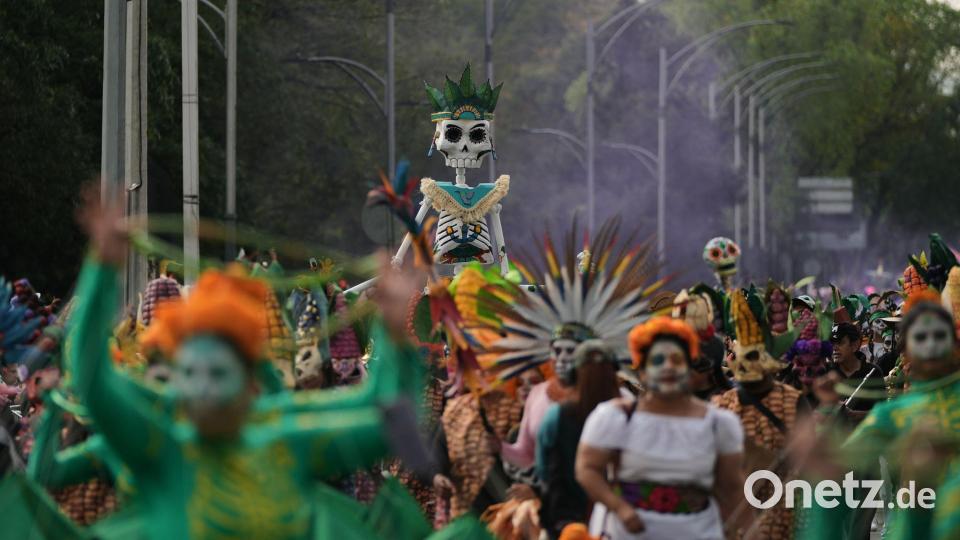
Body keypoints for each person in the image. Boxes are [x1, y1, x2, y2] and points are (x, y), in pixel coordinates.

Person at [68, 196, 428, 540]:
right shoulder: (161, 450)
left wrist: (394, 333)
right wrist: (101, 267)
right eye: (189, 374)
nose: (203, 388)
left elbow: (389, 418)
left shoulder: (286, 444)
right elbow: (92, 380)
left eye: (218, 373)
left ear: (249, 381)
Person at [803, 291, 960, 539]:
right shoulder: (895, 413)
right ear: (906, 347)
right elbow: (839, 470)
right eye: (921, 337)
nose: (931, 345)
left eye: (939, 336)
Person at [576, 317, 749, 540]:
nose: (668, 366)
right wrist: (619, 508)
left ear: (689, 368)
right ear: (643, 372)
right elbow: (587, 469)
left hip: (698, 531)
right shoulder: (614, 417)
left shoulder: (719, 424)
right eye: (658, 360)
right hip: (626, 532)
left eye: (676, 360)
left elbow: (732, 488)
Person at [537, 340, 620, 539]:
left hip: (568, 521)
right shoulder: (628, 410)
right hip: (618, 517)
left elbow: (543, 470)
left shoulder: (556, 415)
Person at [829, 322, 884, 419]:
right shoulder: (827, 373)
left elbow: (882, 413)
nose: (834, 348)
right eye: (832, 343)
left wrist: (854, 414)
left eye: (840, 343)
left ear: (854, 345)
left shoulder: (873, 372)